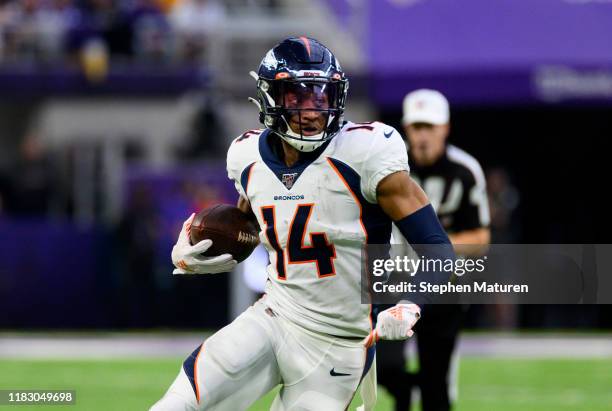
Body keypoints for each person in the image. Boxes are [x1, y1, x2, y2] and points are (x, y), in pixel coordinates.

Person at [151, 38, 453, 411]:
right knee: (173, 406)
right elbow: (250, 220)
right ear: (269, 97)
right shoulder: (247, 157)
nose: (311, 111)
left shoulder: (366, 153)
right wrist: (193, 247)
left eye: (321, 96)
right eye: (297, 97)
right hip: (275, 317)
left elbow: (440, 251)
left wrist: (411, 304)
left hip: (339, 344)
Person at [376, 89, 490, 411]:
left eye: (430, 127)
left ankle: (422, 393)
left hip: (442, 286)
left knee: (435, 387)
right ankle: (405, 392)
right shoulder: (385, 167)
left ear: (445, 128)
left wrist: (433, 249)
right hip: (393, 280)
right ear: (406, 129)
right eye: (417, 127)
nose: (423, 136)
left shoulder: (464, 170)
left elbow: (481, 238)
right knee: (381, 365)